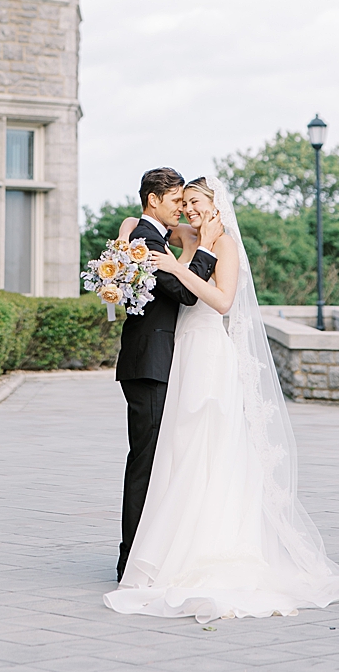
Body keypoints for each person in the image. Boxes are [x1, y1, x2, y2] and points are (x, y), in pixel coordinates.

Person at [104, 177, 339, 621]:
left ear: (215, 206)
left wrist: (187, 262)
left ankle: (186, 549)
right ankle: (150, 550)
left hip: (204, 355)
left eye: (195, 202)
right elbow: (144, 229)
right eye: (182, 202)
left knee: (203, 446)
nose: (187, 210)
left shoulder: (223, 244)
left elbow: (220, 301)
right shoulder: (183, 235)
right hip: (175, 356)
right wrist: (130, 228)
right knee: (171, 453)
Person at [114, 166, 217, 580]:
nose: (181, 208)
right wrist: (206, 248)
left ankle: (144, 552)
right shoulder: (144, 239)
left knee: (153, 461)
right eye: (176, 200)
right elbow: (184, 294)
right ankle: (131, 560)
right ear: (153, 200)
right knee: (146, 463)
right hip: (150, 365)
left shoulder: (147, 235)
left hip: (153, 362)